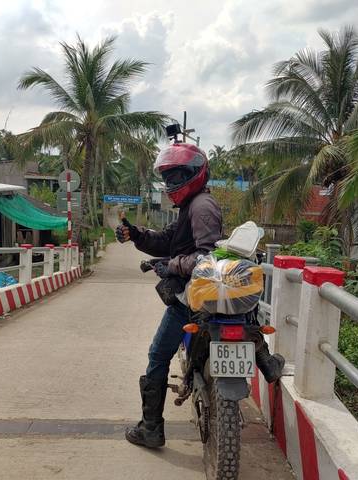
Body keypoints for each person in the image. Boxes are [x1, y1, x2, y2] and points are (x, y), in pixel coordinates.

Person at [116, 143, 284, 449]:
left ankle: (151, 428)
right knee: (246, 314)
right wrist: (137, 234)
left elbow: (206, 257)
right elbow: (168, 240)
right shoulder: (191, 205)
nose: (171, 183)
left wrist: (171, 265)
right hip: (205, 293)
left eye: (177, 174)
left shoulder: (201, 206)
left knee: (157, 356)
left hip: (194, 297)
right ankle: (266, 360)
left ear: (194, 174)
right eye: (168, 176)